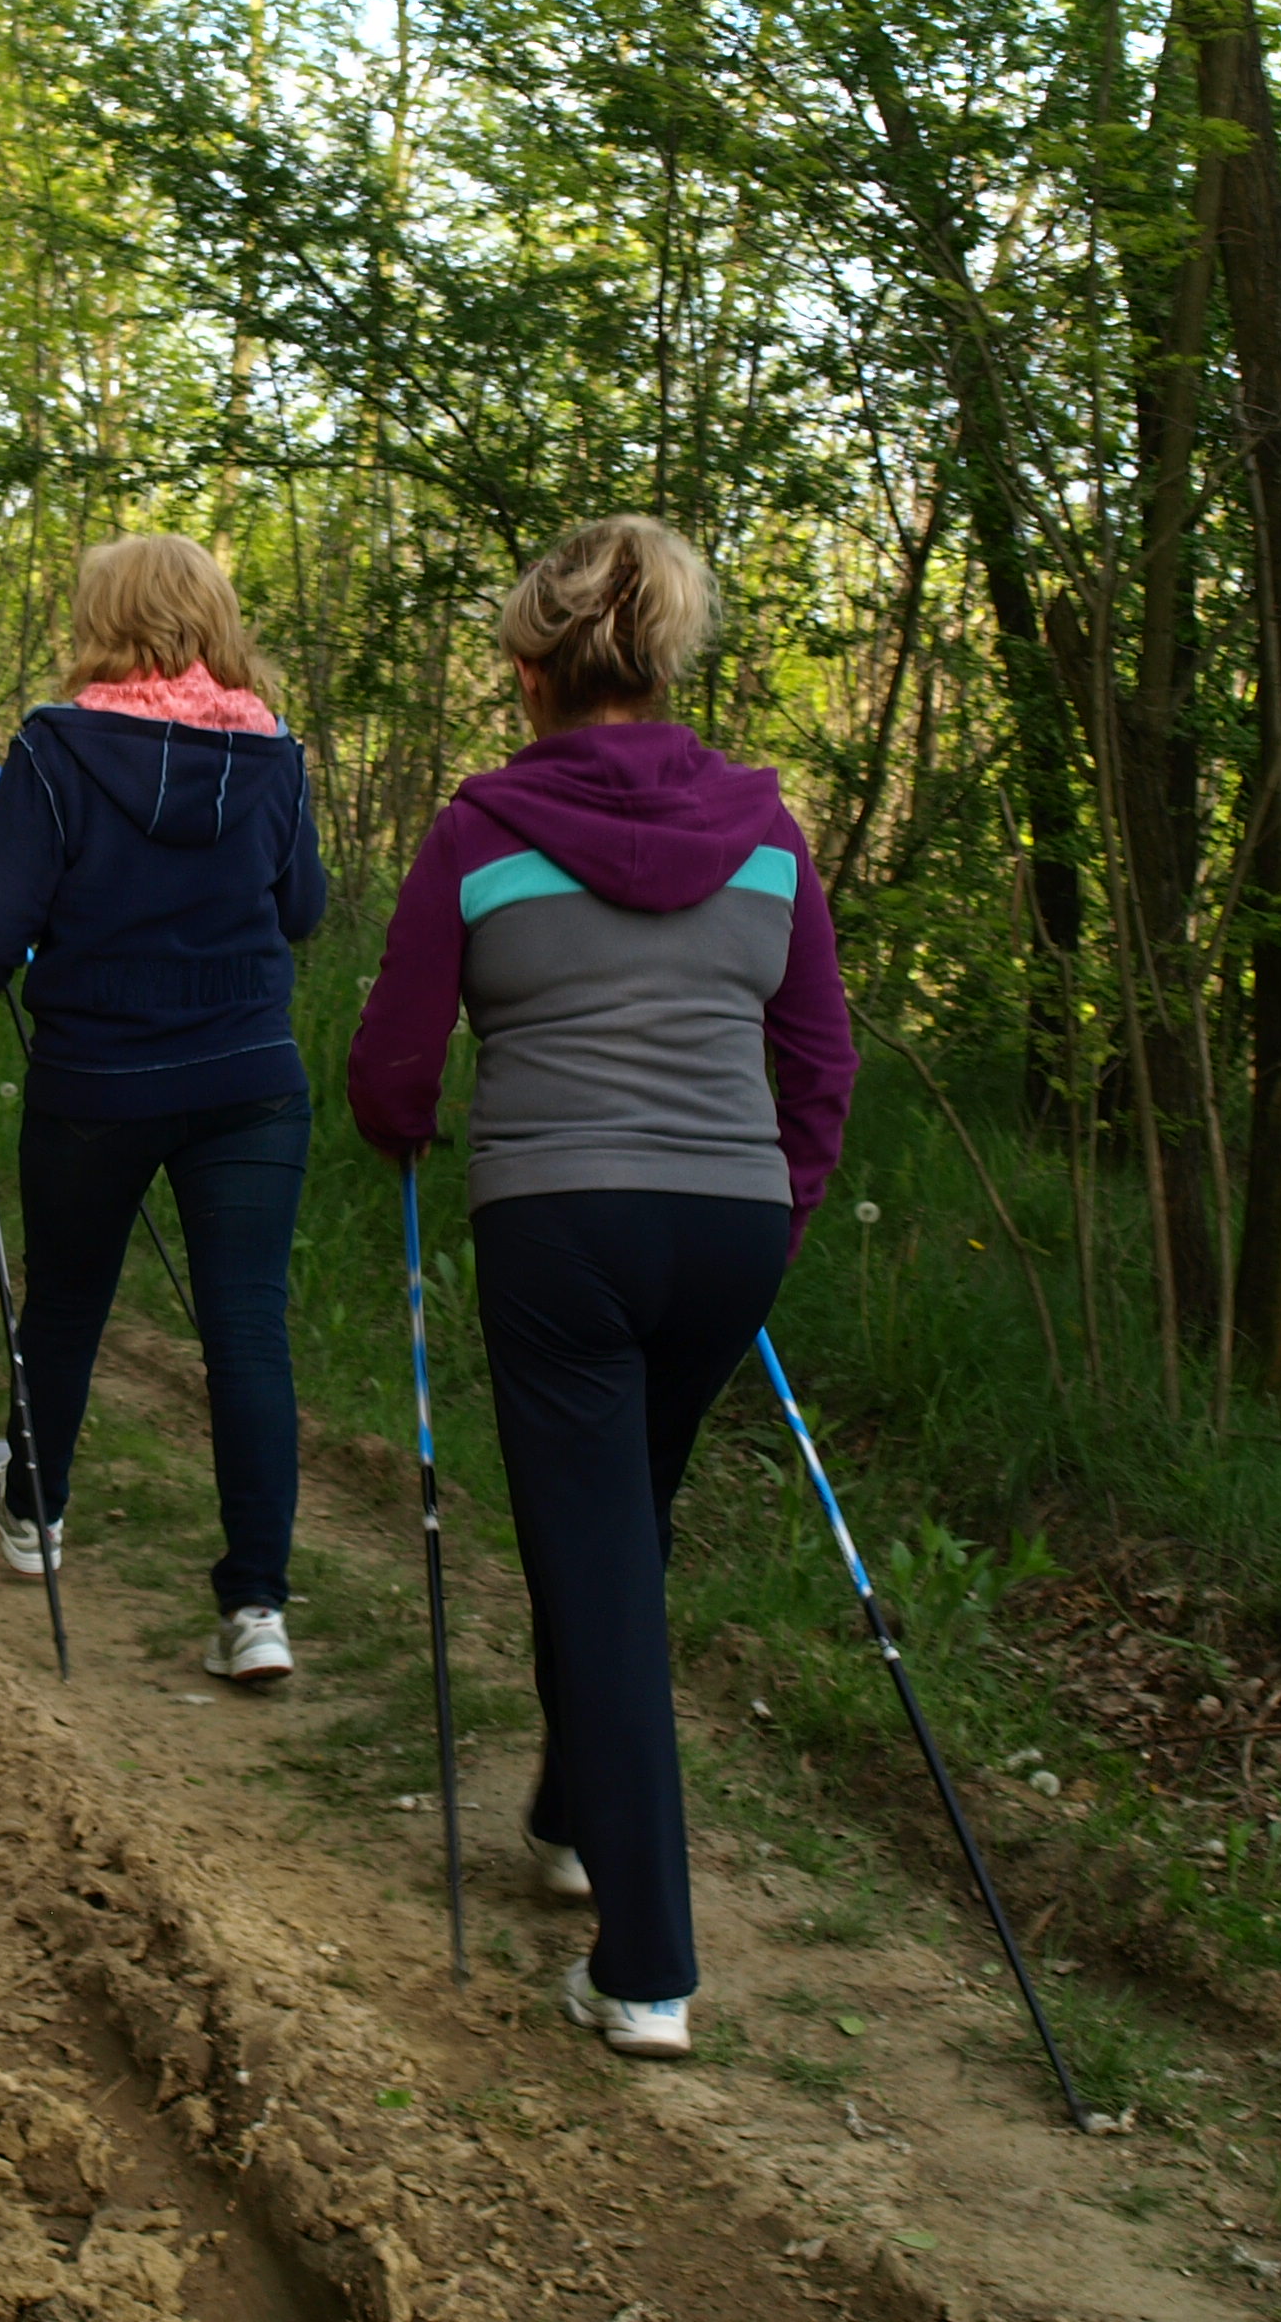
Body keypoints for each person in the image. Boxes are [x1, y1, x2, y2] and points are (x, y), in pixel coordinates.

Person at [346, 514, 852, 2062]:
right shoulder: (771, 836)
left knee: (603, 1565)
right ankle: (572, 1813)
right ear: (667, 661)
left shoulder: (480, 836)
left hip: (562, 1226)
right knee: (614, 1535)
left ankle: (646, 1964)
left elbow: (390, 1073)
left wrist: (412, 1126)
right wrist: (770, 1220)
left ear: (527, 670)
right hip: (726, 1232)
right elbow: (816, 1064)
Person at [0, 535, 327, 1678]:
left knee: (66, 1307)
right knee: (246, 1331)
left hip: (98, 1078)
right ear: (213, 617)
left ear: (104, 620)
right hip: (248, 1078)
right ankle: (256, 1606)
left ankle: (37, 1515)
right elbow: (301, 910)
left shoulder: (57, 749)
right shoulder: (276, 753)